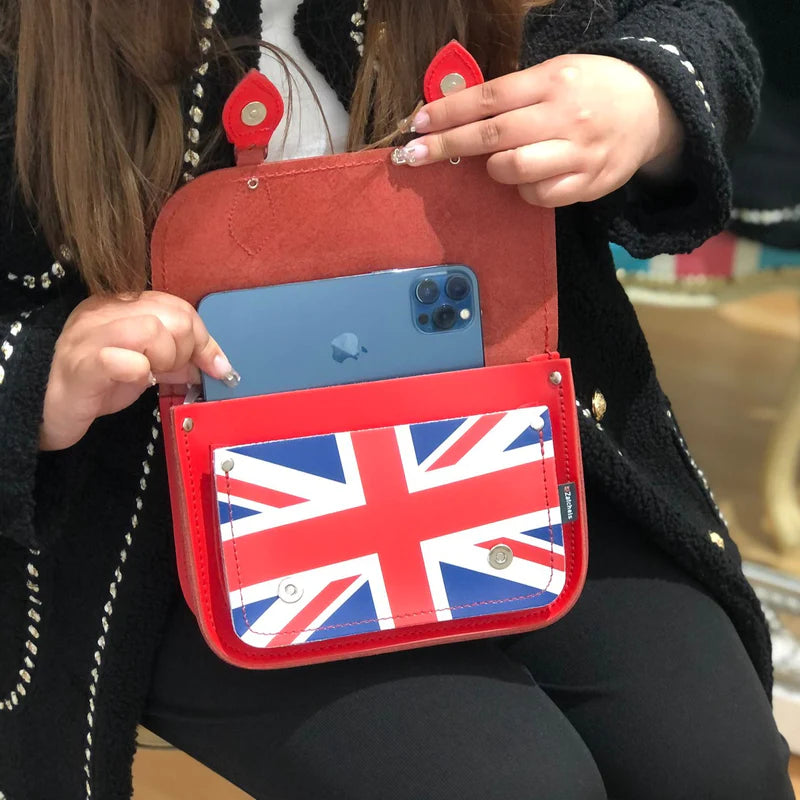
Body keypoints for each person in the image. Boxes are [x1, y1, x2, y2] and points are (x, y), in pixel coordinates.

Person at [0, 1, 793, 798]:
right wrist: (43, 377)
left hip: (516, 457)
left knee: (716, 764)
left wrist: (640, 97)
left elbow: (700, 31)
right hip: (166, 526)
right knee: (506, 783)